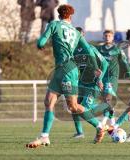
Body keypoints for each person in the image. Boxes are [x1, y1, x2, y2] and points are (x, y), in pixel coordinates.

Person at [26, 5, 106, 148]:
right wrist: (96, 68)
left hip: (68, 69)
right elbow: (88, 50)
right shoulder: (76, 32)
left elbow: (41, 41)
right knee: (48, 101)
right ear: (70, 16)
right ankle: (45, 137)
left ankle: (100, 126)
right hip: (62, 70)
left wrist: (41, 45)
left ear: (59, 15)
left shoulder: (54, 24)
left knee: (74, 106)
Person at [71, 27, 109, 139]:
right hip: (81, 84)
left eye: (79, 35)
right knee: (73, 107)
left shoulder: (90, 48)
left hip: (93, 84)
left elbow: (105, 64)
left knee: (84, 108)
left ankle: (104, 112)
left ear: (83, 35)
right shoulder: (72, 50)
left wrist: (100, 79)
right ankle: (79, 133)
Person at [96, 30, 130, 127]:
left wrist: (129, 72)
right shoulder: (99, 49)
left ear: (112, 37)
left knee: (108, 97)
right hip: (102, 77)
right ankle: (112, 117)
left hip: (112, 77)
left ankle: (104, 120)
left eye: (109, 36)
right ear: (103, 37)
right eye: (106, 35)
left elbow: (124, 61)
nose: (107, 37)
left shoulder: (117, 49)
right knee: (105, 99)